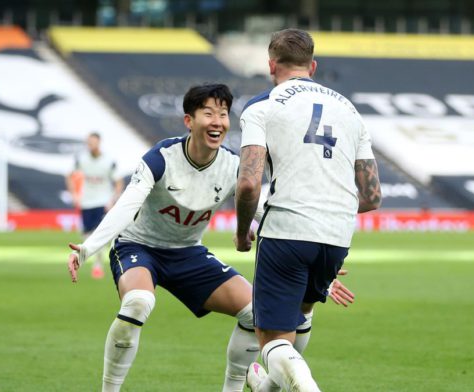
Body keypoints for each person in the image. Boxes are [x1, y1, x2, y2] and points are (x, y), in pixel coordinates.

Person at [66, 84, 354, 392]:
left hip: (187, 253)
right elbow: (126, 206)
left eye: (223, 114)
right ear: (189, 120)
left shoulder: (232, 166)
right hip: (138, 247)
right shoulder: (161, 157)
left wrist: (312, 262)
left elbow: (265, 214)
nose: (218, 121)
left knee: (255, 312)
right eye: (208, 113)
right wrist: (87, 249)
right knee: (138, 301)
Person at [234, 28, 382, 392]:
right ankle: (267, 387)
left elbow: (250, 182)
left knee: (270, 339)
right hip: (336, 235)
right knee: (298, 316)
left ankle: (307, 386)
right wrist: (331, 215)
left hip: (287, 229)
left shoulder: (262, 105)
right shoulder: (349, 110)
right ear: (312, 65)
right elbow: (373, 195)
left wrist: (241, 233)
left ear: (271, 65)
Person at [65, 132, 123, 279]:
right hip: (86, 201)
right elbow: (69, 175)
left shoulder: (108, 161)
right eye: (88, 142)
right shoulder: (81, 159)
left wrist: (112, 200)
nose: (90, 145)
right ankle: (91, 258)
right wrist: (74, 194)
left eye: (93, 142)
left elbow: (118, 181)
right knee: (85, 234)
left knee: (98, 233)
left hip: (102, 202)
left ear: (99, 142)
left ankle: (97, 265)